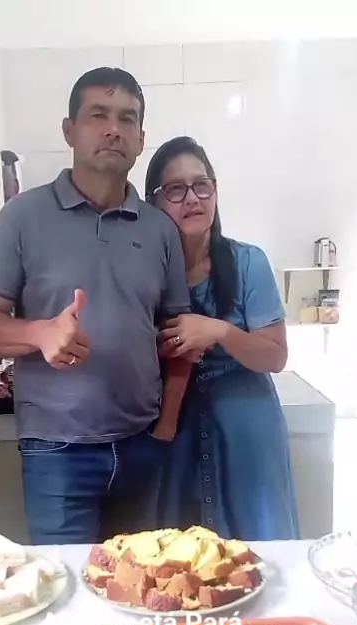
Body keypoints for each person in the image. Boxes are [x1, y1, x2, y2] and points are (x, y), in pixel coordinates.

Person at [0, 69, 193, 545]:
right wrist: (40, 333)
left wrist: (166, 427)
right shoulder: (21, 217)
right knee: (65, 584)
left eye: (127, 119)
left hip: (143, 445)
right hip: (56, 452)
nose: (113, 129)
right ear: (69, 130)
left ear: (141, 139)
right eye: (98, 115)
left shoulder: (160, 230)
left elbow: (180, 336)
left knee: (139, 581)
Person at [145, 136, 300, 540]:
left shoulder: (248, 262)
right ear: (153, 202)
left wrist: (219, 331)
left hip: (247, 434)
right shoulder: (145, 273)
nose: (192, 199)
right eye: (175, 189)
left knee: (259, 553)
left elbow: (275, 356)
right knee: (182, 559)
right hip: (175, 436)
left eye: (202, 185)